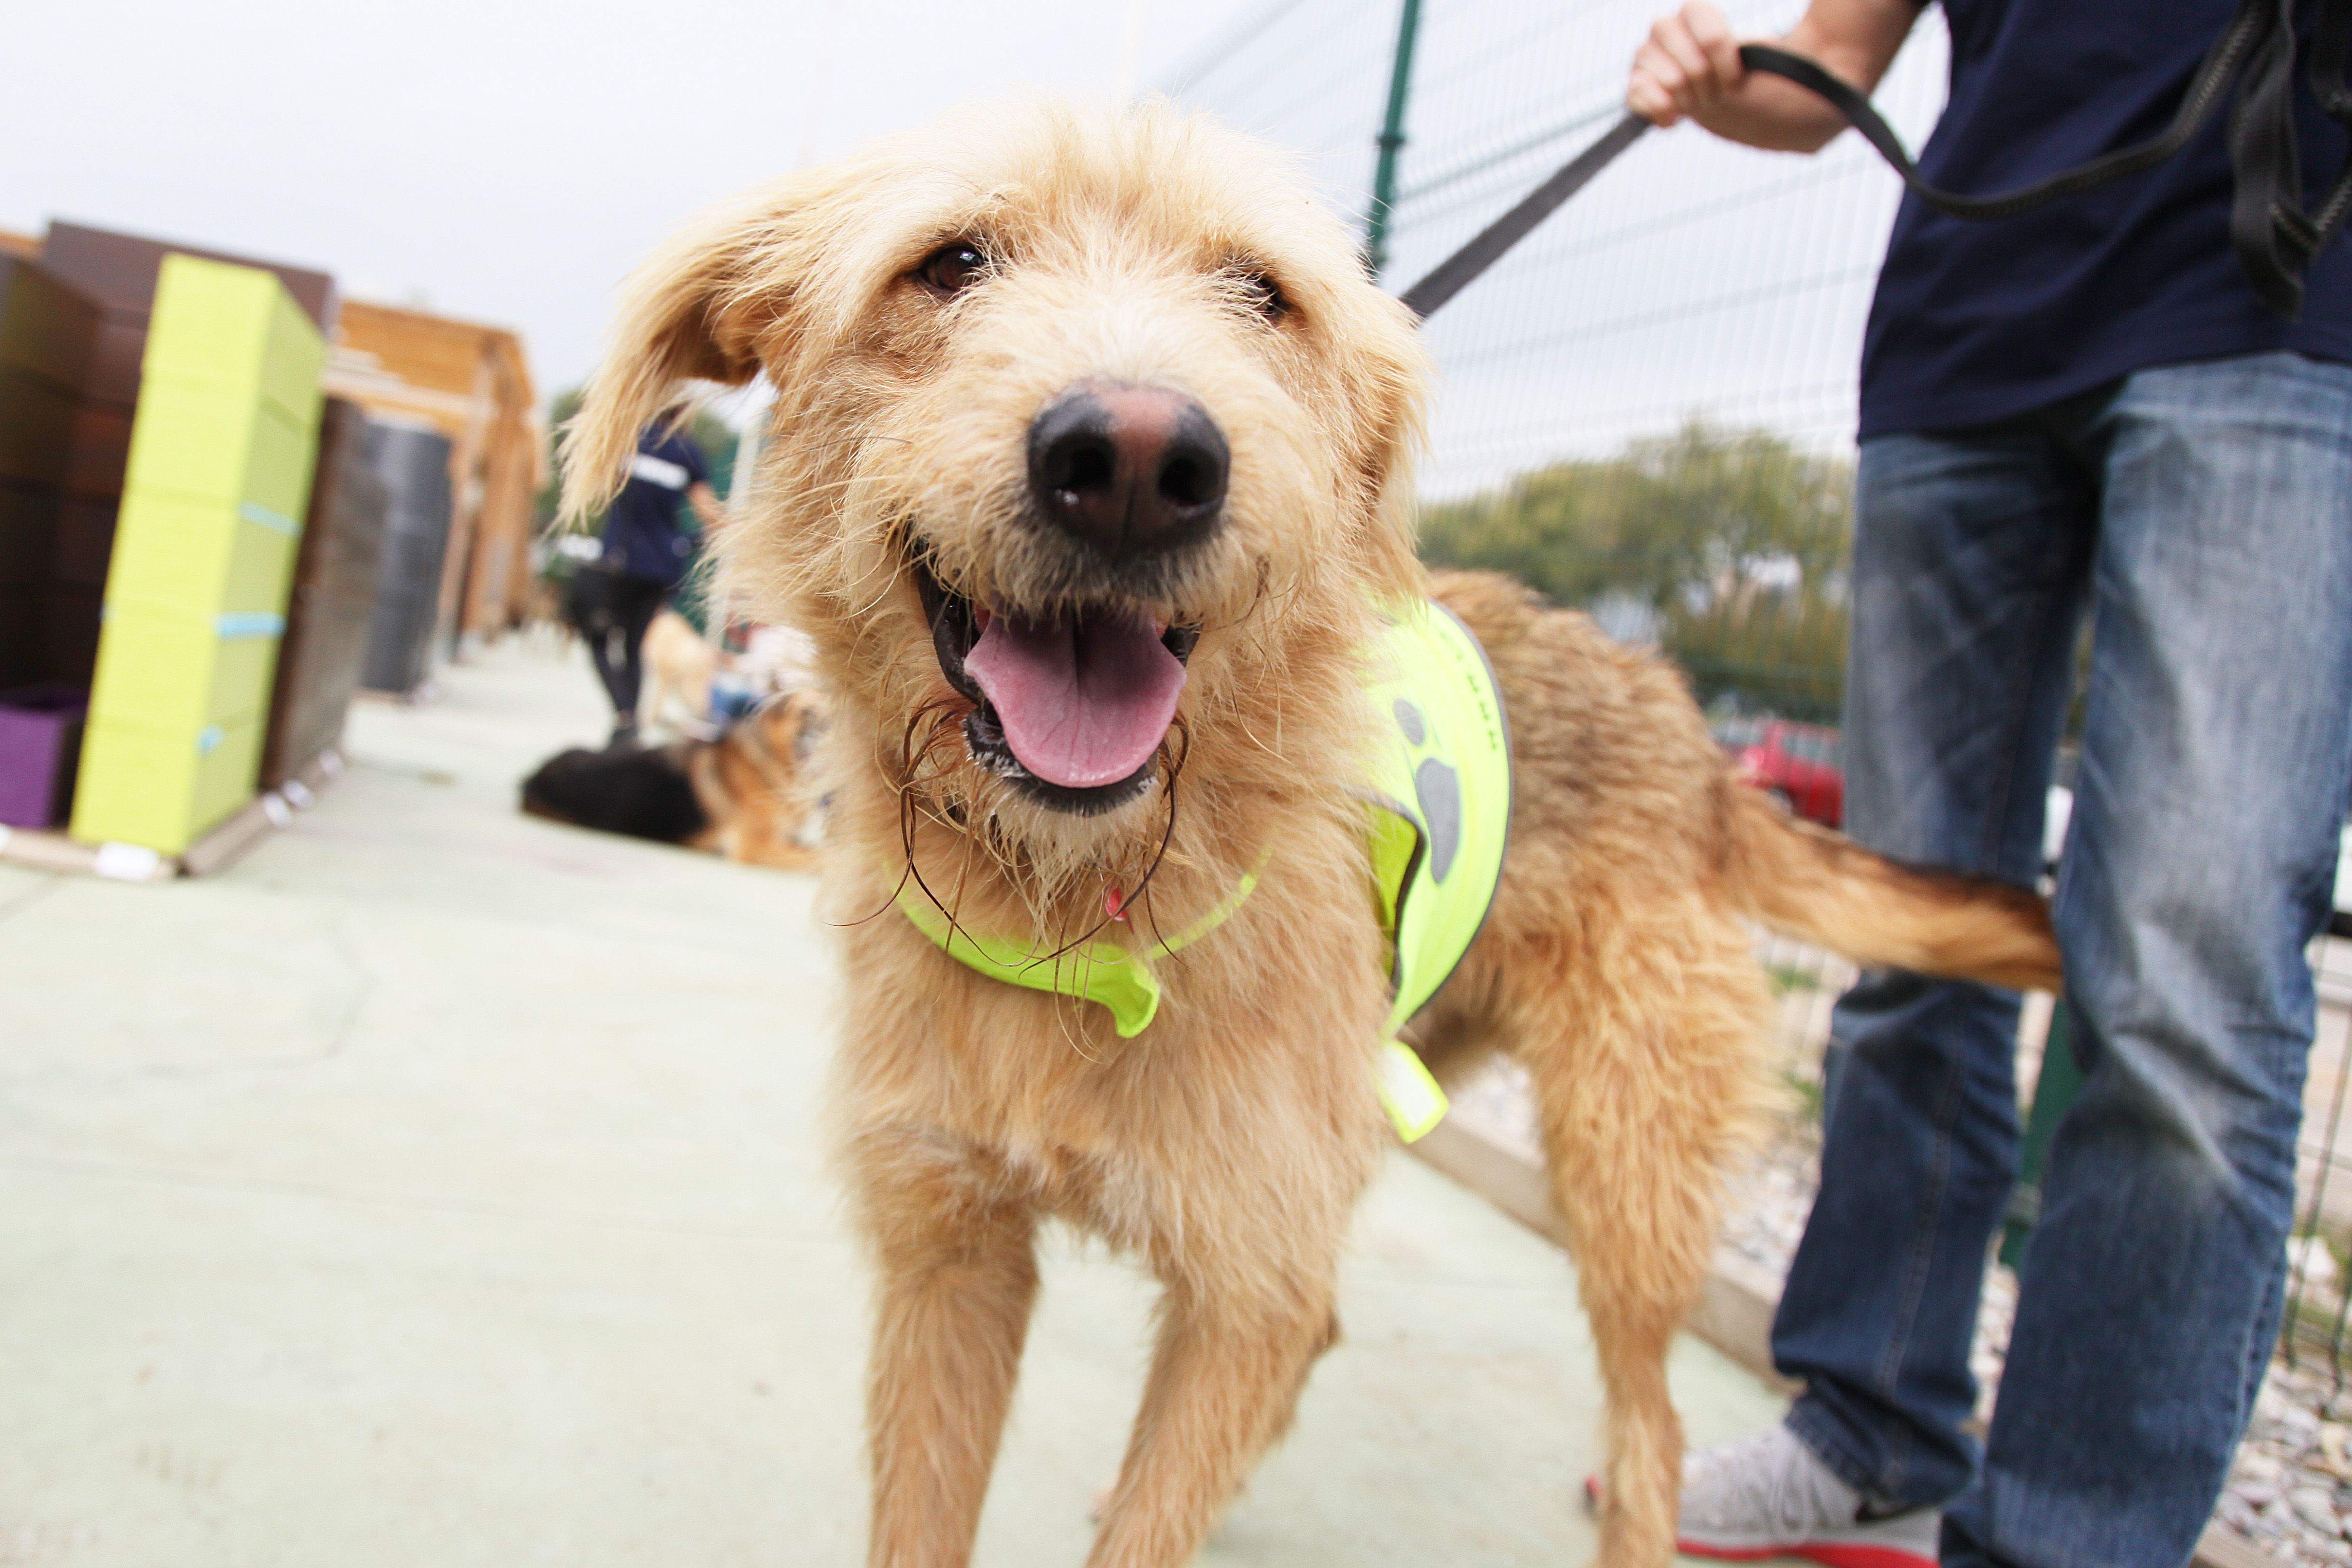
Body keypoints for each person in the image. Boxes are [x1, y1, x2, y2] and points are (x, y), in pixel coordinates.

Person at [1625, 2, 2352, 1564]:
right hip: (1966, 334)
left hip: (2277, 305)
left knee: (2188, 988)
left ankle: (2067, 1537)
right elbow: (1833, 67)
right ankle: (1867, 1428)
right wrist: (1722, 79)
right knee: (1905, 941)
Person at [573, 412, 724, 745]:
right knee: (634, 645)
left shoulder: (627, 437)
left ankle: (626, 715)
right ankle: (629, 724)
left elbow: (592, 484)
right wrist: (687, 543)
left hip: (619, 562)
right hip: (661, 566)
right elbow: (712, 516)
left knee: (598, 640)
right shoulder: (687, 452)